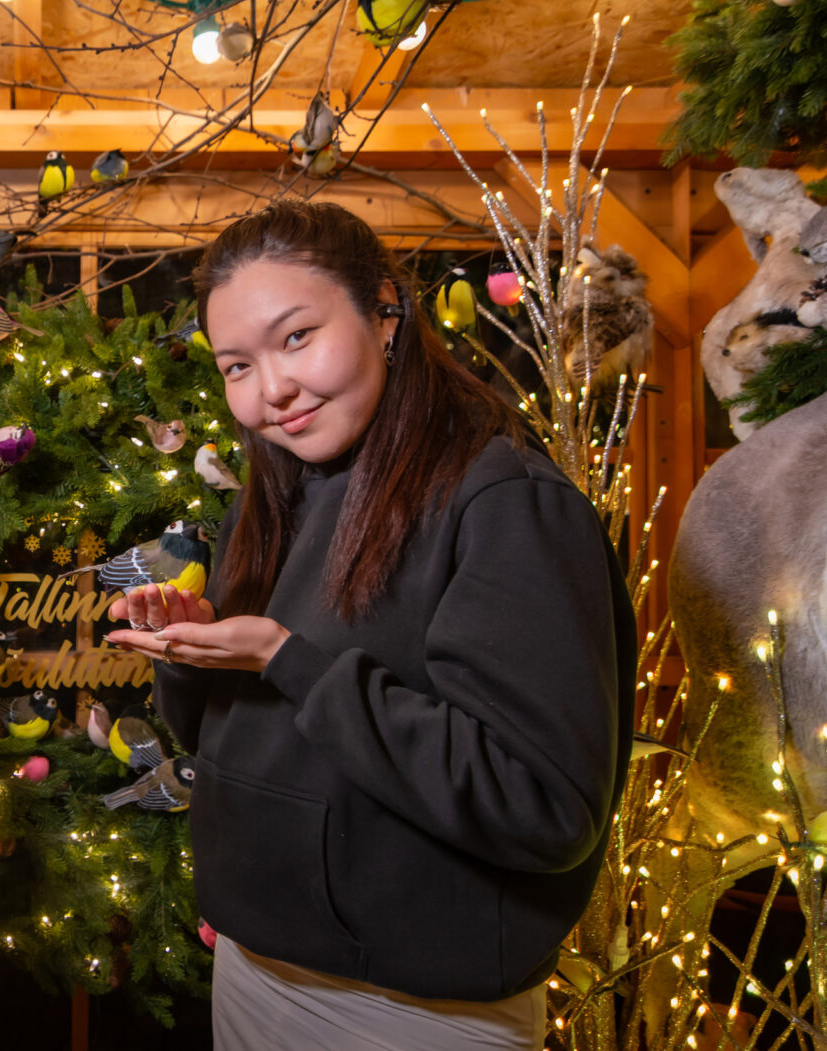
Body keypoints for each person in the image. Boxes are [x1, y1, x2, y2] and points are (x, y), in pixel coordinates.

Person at [105, 201, 635, 1050]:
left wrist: (289, 659)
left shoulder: (506, 502)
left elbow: (540, 807)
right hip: (251, 966)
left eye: (296, 337)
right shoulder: (268, 500)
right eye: (237, 365)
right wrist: (195, 654)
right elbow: (226, 740)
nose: (271, 389)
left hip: (409, 1010)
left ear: (385, 313)